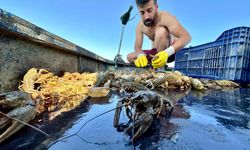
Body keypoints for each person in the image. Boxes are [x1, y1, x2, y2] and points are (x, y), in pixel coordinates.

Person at [127, 0, 191, 68]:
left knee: (160, 31)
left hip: (171, 52)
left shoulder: (166, 17)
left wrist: (166, 53)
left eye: (149, 10)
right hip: (155, 53)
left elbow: (186, 37)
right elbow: (137, 47)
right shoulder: (140, 26)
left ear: (156, 7)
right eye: (142, 13)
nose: (146, 17)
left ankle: (161, 68)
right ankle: (154, 65)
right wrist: (140, 55)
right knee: (130, 57)